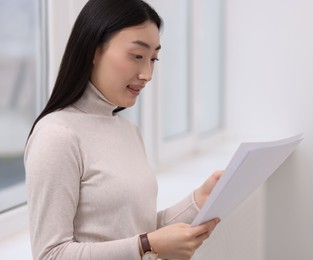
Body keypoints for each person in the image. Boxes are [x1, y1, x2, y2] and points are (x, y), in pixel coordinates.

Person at [24, 0, 221, 259]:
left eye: (153, 59)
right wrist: (146, 245)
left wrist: (198, 201)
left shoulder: (129, 131)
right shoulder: (56, 135)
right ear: (93, 50)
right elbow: (51, 254)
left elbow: (141, 232)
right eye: (137, 56)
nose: (147, 73)